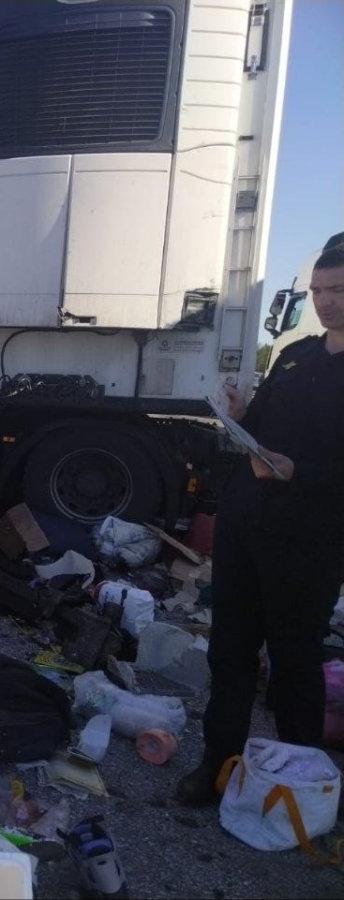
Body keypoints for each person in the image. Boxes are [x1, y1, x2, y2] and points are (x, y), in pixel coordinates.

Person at [176, 242, 344, 805]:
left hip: (310, 540)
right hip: (246, 524)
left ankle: (300, 784)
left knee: (295, 661)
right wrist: (240, 414)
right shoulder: (295, 355)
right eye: (318, 291)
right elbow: (264, 423)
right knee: (229, 651)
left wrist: (300, 471)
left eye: (337, 291)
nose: (324, 302)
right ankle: (217, 767)